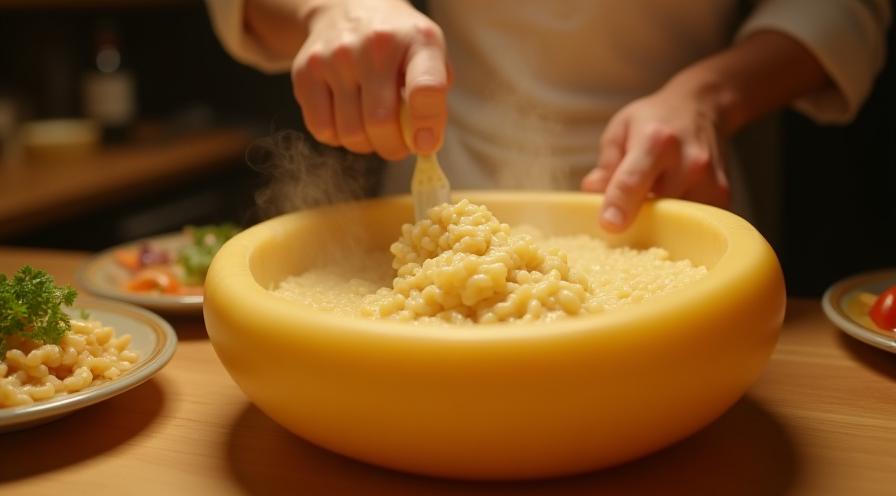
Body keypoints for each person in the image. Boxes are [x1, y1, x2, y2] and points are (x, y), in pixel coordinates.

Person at [206, 0, 890, 232]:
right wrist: (329, 7)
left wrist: (708, 97)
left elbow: (844, 8)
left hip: (671, 192)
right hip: (443, 201)